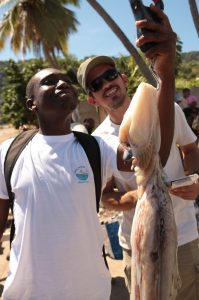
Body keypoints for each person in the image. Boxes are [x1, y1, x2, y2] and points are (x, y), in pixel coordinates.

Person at [77, 8, 199, 300]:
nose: (107, 84)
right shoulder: (98, 142)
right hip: (137, 244)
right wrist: (130, 200)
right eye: (97, 84)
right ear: (92, 98)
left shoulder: (166, 108)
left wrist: (195, 178)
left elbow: (190, 147)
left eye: (109, 75)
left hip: (184, 237)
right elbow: (104, 196)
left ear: (123, 78)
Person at [0, 68, 135, 300]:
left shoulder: (99, 147)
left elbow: (149, 156)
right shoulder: (8, 152)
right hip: (27, 294)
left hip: (90, 292)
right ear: (32, 104)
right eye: (50, 82)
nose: (63, 84)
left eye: (67, 81)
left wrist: (164, 75)